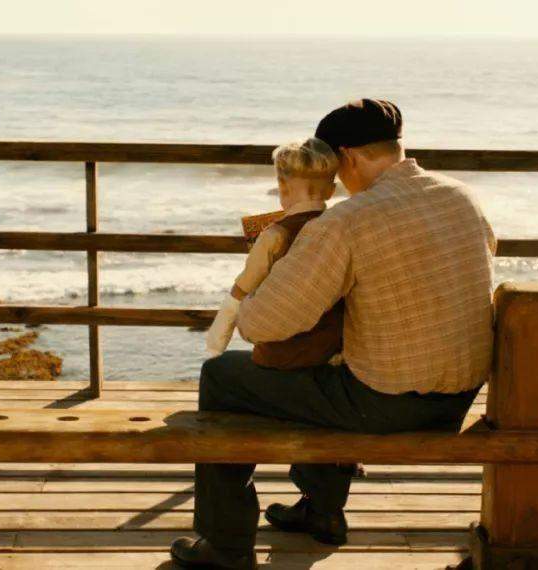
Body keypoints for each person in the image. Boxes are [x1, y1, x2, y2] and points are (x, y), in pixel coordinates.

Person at [170, 99, 497, 569]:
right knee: (333, 360)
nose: (337, 182)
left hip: (385, 404)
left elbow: (263, 323)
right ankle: (321, 510)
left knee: (223, 376)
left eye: (335, 169)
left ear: (347, 157)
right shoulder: (461, 196)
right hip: (458, 400)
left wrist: (261, 281)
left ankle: (225, 546)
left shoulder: (349, 220)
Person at [204, 137, 344, 370]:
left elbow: (240, 291)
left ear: (282, 186)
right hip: (328, 352)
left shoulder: (275, 235)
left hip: (280, 357)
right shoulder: (339, 228)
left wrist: (215, 345)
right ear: (331, 191)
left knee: (218, 368)